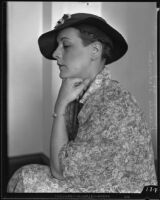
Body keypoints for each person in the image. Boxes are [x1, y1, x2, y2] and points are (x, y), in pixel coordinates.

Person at [7, 13, 157, 193]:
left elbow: (59, 170)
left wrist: (60, 107)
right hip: (92, 183)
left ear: (95, 50)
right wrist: (63, 105)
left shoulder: (114, 103)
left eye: (66, 45)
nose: (56, 54)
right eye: (57, 46)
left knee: (26, 179)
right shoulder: (82, 95)